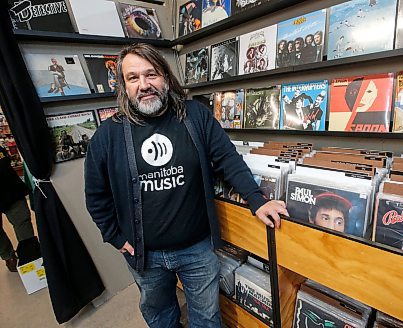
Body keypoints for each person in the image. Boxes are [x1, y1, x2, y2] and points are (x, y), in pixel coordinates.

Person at [84, 43, 287, 328]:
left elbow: (227, 158)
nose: (144, 85)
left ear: (166, 77)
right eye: (133, 78)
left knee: (207, 318)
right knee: (160, 317)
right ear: (124, 86)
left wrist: (257, 199)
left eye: (151, 74)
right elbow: (96, 195)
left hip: (198, 249)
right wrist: (116, 237)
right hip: (144, 255)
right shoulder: (107, 136)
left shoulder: (195, 115)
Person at [0, 146, 36, 272]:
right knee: (22, 223)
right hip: (11, 189)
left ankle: (30, 255)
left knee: (22, 222)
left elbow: (5, 161)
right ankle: (10, 257)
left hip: (11, 190)